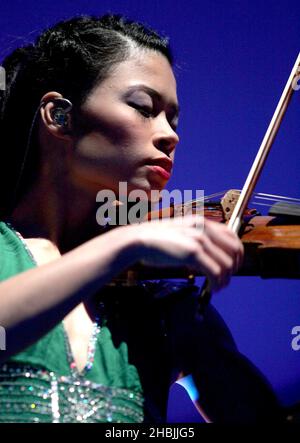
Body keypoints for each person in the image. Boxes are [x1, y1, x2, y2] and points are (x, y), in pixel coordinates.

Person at [0, 13, 281, 423]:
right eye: (143, 108)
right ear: (60, 116)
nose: (171, 134)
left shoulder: (156, 307)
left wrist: (199, 337)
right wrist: (123, 242)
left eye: (173, 118)